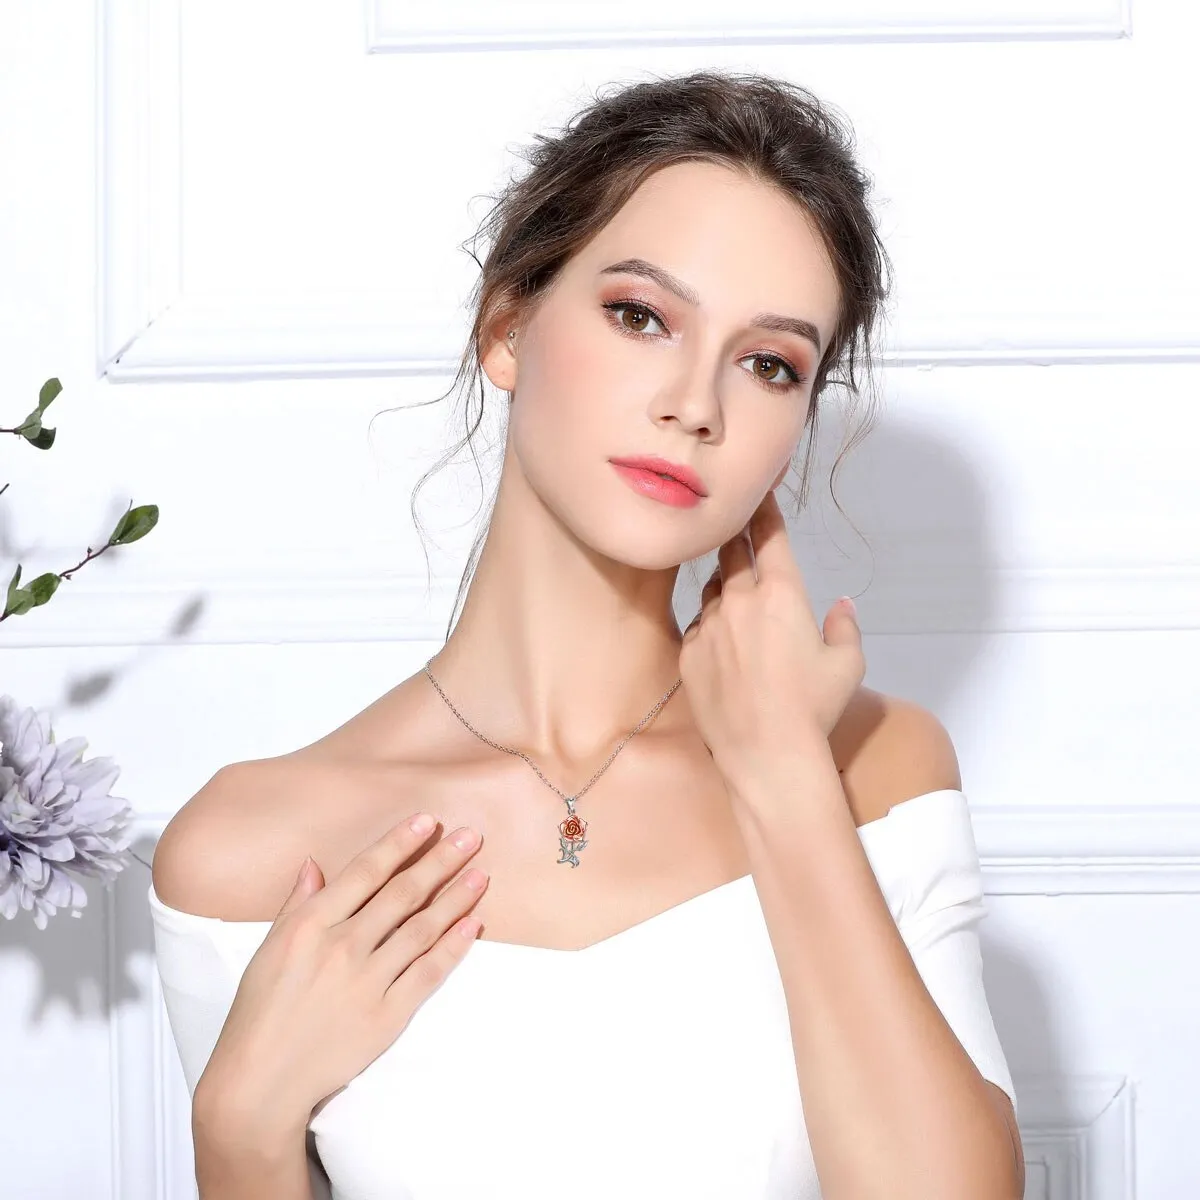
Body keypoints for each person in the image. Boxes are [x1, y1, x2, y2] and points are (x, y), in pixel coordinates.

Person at [149, 69, 1024, 1199]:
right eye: (640, 316)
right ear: (507, 327)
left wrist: (783, 778)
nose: (695, 404)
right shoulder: (252, 848)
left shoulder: (874, 772)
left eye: (770, 364)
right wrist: (236, 1129)